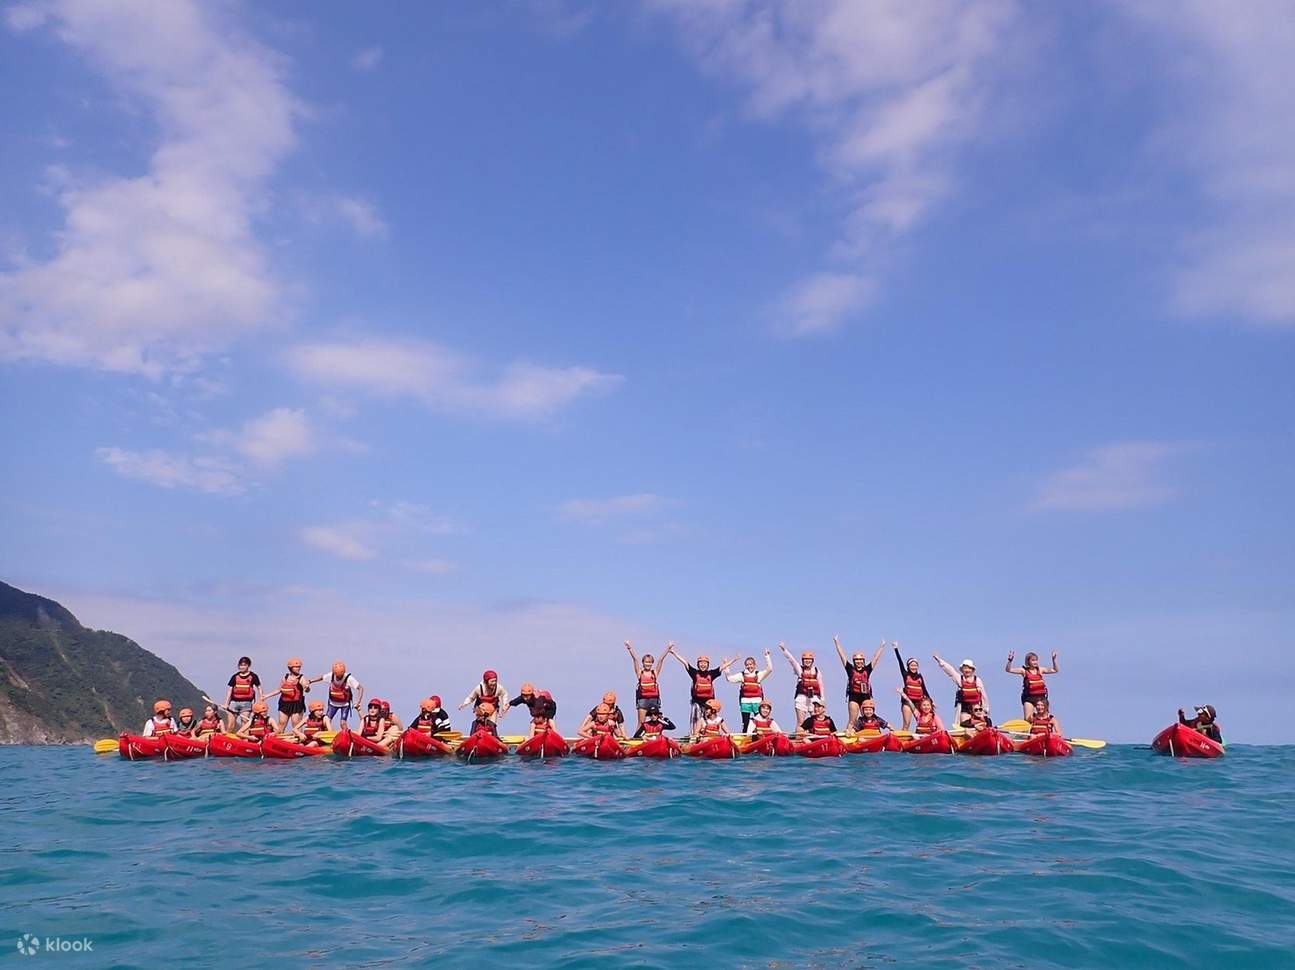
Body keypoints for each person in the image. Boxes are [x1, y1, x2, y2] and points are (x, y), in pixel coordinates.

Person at [667, 649, 734, 730]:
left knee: (709, 718)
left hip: (709, 702)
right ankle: (694, 735)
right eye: (701, 663)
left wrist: (734, 659)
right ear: (698, 664)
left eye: (705, 663)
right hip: (697, 701)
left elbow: (722, 667)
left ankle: (709, 732)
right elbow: (685, 662)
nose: (703, 665)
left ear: (708, 665)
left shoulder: (711, 674)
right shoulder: (694, 673)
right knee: (696, 718)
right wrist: (674, 653)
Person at [834, 636, 886, 728]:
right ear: (854, 661)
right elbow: (842, 656)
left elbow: (875, 658)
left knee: (867, 718)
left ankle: (867, 734)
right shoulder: (850, 669)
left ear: (863, 661)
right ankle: (849, 736)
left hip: (865, 696)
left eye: (860, 660)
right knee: (852, 720)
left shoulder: (867, 669)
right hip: (854, 696)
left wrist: (881, 646)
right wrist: (837, 643)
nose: (859, 662)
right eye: (857, 660)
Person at [259, 658, 322, 732]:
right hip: (284, 703)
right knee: (282, 723)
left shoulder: (301, 678)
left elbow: (306, 687)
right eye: (296, 667)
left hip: (296, 704)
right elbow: (279, 690)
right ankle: (278, 740)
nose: (298, 669)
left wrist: (307, 687)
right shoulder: (285, 678)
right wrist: (267, 696)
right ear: (290, 668)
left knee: (296, 723)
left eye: (299, 667)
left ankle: (298, 740)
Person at [626, 640, 674, 731]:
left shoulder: (654, 673)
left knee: (656, 720)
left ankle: (656, 735)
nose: (648, 664)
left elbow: (660, 660)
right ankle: (637, 739)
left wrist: (668, 649)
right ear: (643, 663)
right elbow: (635, 660)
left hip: (654, 700)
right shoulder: (640, 673)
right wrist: (630, 648)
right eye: (646, 662)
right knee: (641, 722)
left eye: (650, 662)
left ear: (652, 663)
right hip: (643, 700)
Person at [932, 655, 991, 726]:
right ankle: (972, 728)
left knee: (987, 721)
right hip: (965, 708)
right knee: (964, 723)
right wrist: (940, 661)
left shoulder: (977, 680)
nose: (967, 670)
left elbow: (983, 695)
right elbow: (950, 671)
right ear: (962, 670)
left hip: (977, 707)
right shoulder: (960, 679)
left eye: (969, 668)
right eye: (965, 668)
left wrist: (986, 708)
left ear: (972, 670)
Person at [725, 649, 774, 731]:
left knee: (759, 720)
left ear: (755, 665)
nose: (749, 666)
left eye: (751, 664)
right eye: (747, 665)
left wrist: (767, 656)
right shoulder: (742, 675)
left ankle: (760, 736)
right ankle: (745, 737)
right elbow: (729, 679)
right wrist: (727, 667)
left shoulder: (759, 675)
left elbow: (769, 669)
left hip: (757, 702)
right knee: (745, 722)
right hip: (745, 702)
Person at [778, 642, 825, 725]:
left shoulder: (817, 671)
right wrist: (784, 649)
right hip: (802, 698)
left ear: (812, 661)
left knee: (816, 720)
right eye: (805, 659)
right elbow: (791, 660)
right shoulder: (799, 669)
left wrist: (823, 698)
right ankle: (799, 736)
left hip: (814, 698)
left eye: (809, 659)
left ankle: (815, 736)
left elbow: (821, 685)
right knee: (801, 722)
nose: (807, 661)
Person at [1005, 650, 1059, 720]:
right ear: (1028, 661)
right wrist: (1010, 661)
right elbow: (1008, 670)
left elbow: (1055, 670)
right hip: (1029, 698)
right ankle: (1029, 729)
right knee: (1028, 719)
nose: (1035, 662)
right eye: (1033, 660)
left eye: (1036, 660)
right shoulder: (1024, 671)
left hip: (1041, 698)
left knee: (1043, 718)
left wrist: (1054, 660)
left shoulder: (1040, 670)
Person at [893, 645, 930, 731]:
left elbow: (924, 689)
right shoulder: (906, 675)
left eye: (915, 665)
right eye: (911, 665)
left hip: (918, 702)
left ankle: (923, 738)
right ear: (908, 667)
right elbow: (900, 663)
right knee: (907, 724)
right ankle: (903, 741)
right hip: (907, 702)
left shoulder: (920, 677)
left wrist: (930, 700)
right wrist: (896, 649)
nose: (913, 667)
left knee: (923, 723)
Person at [223, 656, 262, 731]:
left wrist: (260, 701)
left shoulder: (253, 676)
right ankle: (227, 739)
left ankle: (244, 740)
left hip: (247, 703)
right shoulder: (235, 677)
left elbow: (259, 688)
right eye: (241, 665)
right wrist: (226, 704)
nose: (242, 667)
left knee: (244, 723)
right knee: (231, 723)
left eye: (244, 665)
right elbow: (230, 691)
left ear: (248, 666)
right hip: (234, 702)